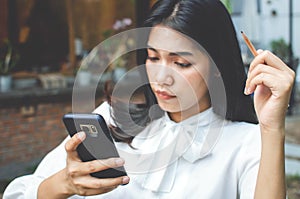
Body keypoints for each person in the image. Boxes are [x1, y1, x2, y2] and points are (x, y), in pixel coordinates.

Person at [3, 0, 295, 198]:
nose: (161, 78)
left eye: (181, 63)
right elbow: (21, 192)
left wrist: (272, 129)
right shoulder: (111, 118)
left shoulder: (247, 143)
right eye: (153, 58)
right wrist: (64, 183)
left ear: (217, 67)